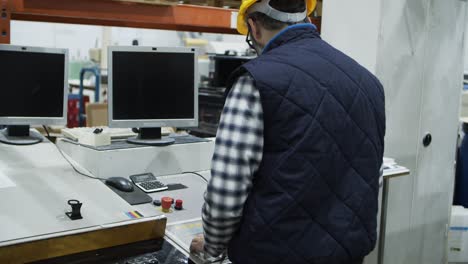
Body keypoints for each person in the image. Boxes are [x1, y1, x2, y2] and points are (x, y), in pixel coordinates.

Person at [190, 0, 386, 263]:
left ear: (253, 27)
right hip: (347, 254)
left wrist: (212, 249)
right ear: (305, 16)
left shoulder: (255, 81)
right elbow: (372, 175)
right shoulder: (368, 82)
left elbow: (226, 194)